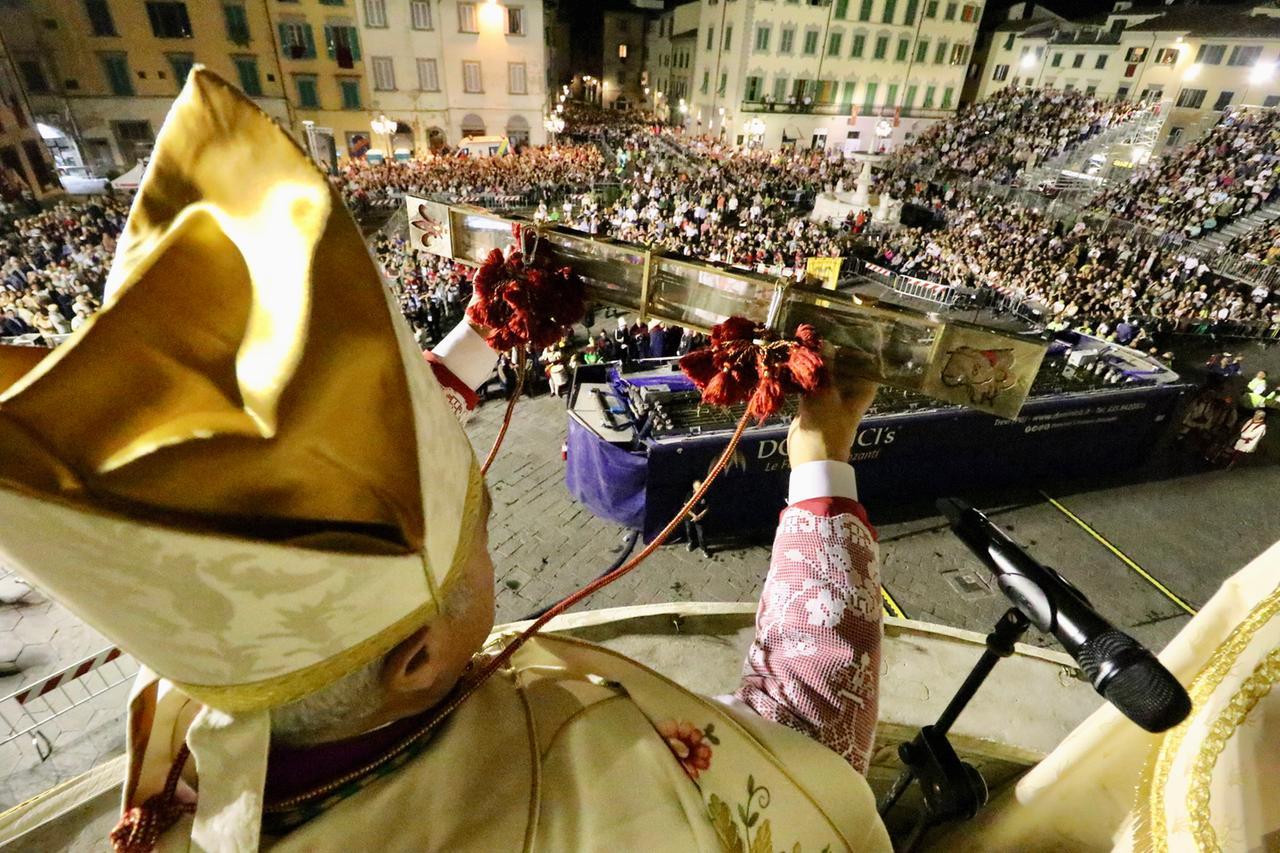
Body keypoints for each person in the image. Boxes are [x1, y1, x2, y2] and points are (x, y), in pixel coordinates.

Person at [0, 72, 891, 851]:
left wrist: (477, 342)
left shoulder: (222, 691)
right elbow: (799, 761)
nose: (484, 528)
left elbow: (302, 473)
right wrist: (821, 462)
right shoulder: (578, 789)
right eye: (483, 528)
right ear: (418, 659)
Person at [683, 479, 710, 555]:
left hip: (700, 518)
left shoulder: (705, 495)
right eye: (698, 487)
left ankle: (704, 548)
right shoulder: (689, 494)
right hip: (689, 517)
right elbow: (686, 506)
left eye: (701, 486)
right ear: (694, 488)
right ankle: (691, 543)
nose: (700, 489)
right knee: (689, 531)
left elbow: (707, 508)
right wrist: (694, 516)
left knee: (701, 534)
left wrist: (699, 516)